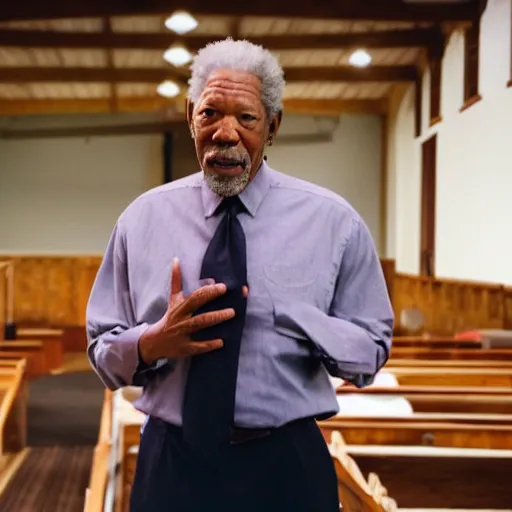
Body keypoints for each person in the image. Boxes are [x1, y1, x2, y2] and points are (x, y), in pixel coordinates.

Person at [86, 38, 394, 512]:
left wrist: (297, 317)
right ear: (191, 115)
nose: (225, 133)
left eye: (246, 118)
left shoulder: (334, 222)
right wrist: (151, 343)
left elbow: (371, 350)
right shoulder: (140, 220)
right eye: (210, 113)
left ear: (272, 126)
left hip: (287, 464)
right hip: (173, 463)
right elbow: (102, 351)